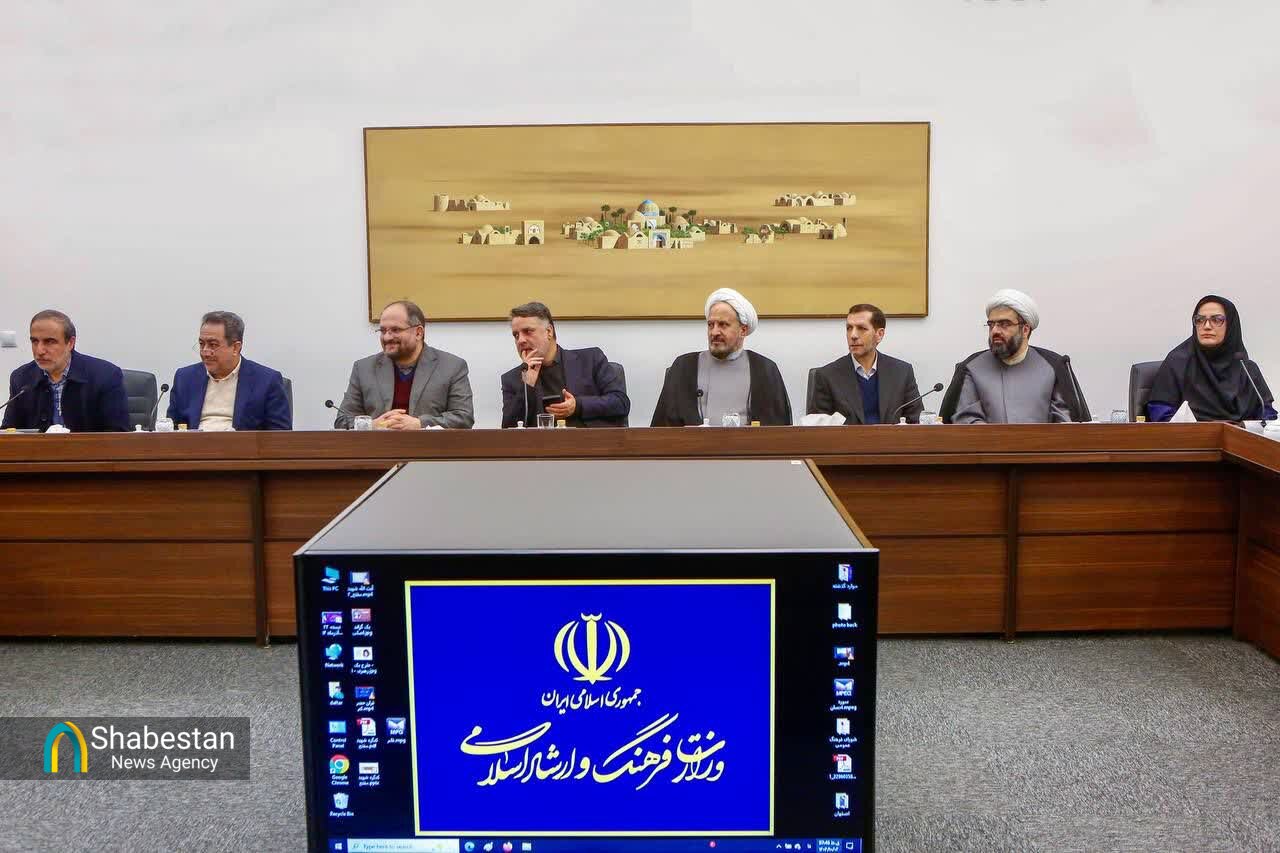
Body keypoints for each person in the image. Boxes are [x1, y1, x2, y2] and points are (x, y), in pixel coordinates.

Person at [942, 289, 1090, 424]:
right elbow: (966, 420)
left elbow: (1065, 423)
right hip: (986, 446)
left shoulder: (1053, 366)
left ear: (1025, 330)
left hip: (1043, 446)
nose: (995, 331)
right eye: (991, 324)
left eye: (1004, 324)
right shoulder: (972, 367)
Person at [651, 288, 791, 426]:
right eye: (711, 325)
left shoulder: (765, 370)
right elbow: (662, 430)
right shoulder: (683, 367)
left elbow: (779, 431)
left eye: (723, 325)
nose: (714, 332)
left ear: (743, 330)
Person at [335, 300, 474, 430]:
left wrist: (420, 424)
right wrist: (372, 425)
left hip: (429, 447)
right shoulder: (363, 368)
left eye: (395, 330)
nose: (387, 337)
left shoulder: (452, 367)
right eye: (383, 331)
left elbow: (464, 418)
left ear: (418, 333)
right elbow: (342, 420)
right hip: (378, 447)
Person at [500, 301, 630, 428]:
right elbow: (507, 429)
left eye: (528, 331)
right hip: (540, 443)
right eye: (516, 335)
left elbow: (621, 403)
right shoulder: (512, 379)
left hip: (588, 440)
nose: (520, 340)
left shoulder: (590, 360)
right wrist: (527, 386)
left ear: (549, 331)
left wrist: (578, 406)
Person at [1147, 295, 1275, 422]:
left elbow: (1267, 414)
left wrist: (1255, 426)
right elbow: (1160, 412)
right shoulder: (1178, 362)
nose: (1207, 326)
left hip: (1241, 435)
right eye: (1199, 320)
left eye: (1216, 320)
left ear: (1231, 325)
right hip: (1192, 434)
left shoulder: (1246, 368)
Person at [2, 309, 129, 432]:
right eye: (35, 341)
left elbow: (118, 435)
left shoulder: (106, 376)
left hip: (89, 447)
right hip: (36, 448)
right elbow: (9, 433)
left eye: (49, 342)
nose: (39, 351)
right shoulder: (21, 378)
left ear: (70, 343)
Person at [166, 311, 291, 431]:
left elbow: (280, 436)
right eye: (201, 344)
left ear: (236, 347)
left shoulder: (266, 381)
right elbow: (171, 429)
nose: (205, 352)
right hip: (194, 444)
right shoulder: (185, 378)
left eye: (213, 345)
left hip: (241, 445)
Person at [809, 303, 923, 424]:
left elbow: (916, 422)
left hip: (891, 437)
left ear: (879, 334)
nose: (853, 335)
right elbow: (818, 429)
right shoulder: (827, 376)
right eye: (849, 328)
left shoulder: (902, 372)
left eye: (861, 328)